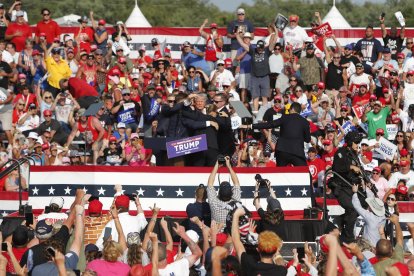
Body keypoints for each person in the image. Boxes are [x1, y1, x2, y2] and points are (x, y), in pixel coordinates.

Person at [246, 102, 310, 166]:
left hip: (282, 151)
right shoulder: (305, 122)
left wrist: (252, 126)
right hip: (297, 151)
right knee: (304, 173)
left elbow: (270, 124)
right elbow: (307, 139)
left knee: (280, 173)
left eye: (289, 110)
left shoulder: (285, 118)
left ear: (292, 109)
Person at [329, 131, 364, 243]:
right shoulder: (341, 152)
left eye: (359, 142)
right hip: (342, 186)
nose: (357, 144)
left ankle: (342, 219)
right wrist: (350, 166)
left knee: (364, 205)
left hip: (353, 186)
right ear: (349, 142)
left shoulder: (354, 154)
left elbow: (359, 170)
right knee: (352, 209)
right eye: (356, 142)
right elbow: (336, 168)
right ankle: (348, 238)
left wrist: (363, 180)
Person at [231, 208, 287, 275]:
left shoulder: (248, 264)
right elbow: (281, 263)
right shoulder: (281, 271)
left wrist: (236, 215)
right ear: (276, 251)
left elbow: (236, 240)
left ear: (258, 249)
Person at [236, 29, 277, 112]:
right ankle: (255, 111)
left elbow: (274, 41)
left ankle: (264, 112)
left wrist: (276, 30)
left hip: (265, 76)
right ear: (257, 46)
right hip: (254, 77)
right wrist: (237, 35)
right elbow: (242, 44)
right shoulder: (253, 50)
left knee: (265, 96)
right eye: (259, 48)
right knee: (255, 96)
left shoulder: (267, 51)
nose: (260, 49)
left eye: (261, 48)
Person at [207, 157, 241, 224]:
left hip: (216, 233)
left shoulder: (214, 203)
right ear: (231, 194)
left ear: (219, 193)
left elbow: (210, 183)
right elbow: (236, 183)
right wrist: (229, 166)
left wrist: (217, 165)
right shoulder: (236, 202)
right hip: (232, 233)